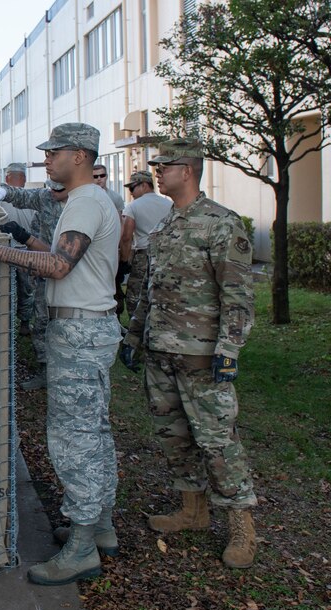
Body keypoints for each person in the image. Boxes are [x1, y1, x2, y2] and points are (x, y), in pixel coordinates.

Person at [0, 123, 121, 586]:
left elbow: (58, 266)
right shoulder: (85, 201)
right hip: (88, 328)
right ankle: (99, 527)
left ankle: (82, 547)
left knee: (75, 438)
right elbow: (63, 259)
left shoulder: (86, 201)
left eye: (53, 153)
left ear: (79, 155)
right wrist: (22, 237)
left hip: (79, 332)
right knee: (95, 431)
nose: (46, 161)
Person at [119, 138, 257, 569]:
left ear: (190, 170)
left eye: (166, 165)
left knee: (217, 441)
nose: (158, 171)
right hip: (162, 350)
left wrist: (229, 349)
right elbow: (151, 289)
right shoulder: (167, 223)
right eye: (156, 165)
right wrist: (135, 337)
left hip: (202, 355)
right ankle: (192, 510)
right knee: (175, 436)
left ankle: (242, 527)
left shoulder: (220, 223)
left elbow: (237, 295)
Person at [0, 178, 70, 390]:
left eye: (58, 188)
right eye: (50, 187)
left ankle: (67, 369)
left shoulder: (81, 203)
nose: (53, 192)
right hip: (44, 270)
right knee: (42, 320)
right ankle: (44, 370)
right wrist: (3, 191)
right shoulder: (46, 198)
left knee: (67, 323)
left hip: (73, 274)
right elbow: (23, 196)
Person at [119, 170, 172, 320]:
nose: (131, 193)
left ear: (143, 185)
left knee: (135, 296)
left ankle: (138, 334)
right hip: (167, 254)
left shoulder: (133, 206)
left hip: (144, 255)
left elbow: (126, 237)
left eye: (132, 188)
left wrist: (124, 261)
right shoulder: (169, 204)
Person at [0, 163, 38, 338]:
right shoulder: (1, 197)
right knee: (23, 290)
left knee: (14, 290)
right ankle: (21, 324)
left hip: (11, 250)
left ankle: (14, 324)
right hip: (18, 250)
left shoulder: (3, 198)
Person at [93, 164, 129, 314]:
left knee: (113, 285)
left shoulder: (115, 197)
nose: (99, 179)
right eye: (95, 176)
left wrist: (118, 247)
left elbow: (120, 223)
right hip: (93, 248)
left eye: (102, 176)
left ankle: (115, 317)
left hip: (111, 249)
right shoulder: (89, 196)